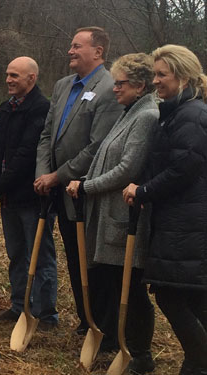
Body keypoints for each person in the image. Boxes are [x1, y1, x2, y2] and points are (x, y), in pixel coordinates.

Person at [67, 53, 158, 372]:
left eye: (120, 83)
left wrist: (88, 187)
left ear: (140, 85)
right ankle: (112, 337)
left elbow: (127, 168)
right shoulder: (128, 111)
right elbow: (106, 153)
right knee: (110, 280)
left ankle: (140, 352)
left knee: (130, 288)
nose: (114, 88)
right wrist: (83, 180)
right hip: (108, 215)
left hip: (126, 217)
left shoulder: (146, 116)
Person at [123, 44, 207, 375]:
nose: (155, 80)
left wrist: (144, 190)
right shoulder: (175, 112)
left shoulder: (193, 114)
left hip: (187, 222)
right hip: (178, 220)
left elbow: (183, 167)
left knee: (171, 295)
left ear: (183, 76)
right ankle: (195, 362)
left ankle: (200, 359)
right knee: (193, 298)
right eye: (154, 73)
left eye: (162, 74)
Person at [34, 26, 122, 334]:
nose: (70, 51)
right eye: (70, 46)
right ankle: (86, 320)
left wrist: (58, 176)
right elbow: (47, 135)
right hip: (57, 189)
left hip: (85, 191)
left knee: (92, 262)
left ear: (98, 52)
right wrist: (43, 175)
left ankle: (101, 325)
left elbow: (96, 147)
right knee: (73, 256)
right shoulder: (61, 86)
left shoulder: (109, 88)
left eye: (77, 46)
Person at [0, 57, 57, 329]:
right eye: (7, 74)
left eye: (15, 75)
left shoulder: (41, 108)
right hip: (8, 198)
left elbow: (26, 156)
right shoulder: (7, 107)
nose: (9, 80)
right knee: (16, 254)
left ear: (31, 79)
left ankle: (45, 314)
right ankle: (19, 305)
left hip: (32, 198)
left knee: (40, 256)